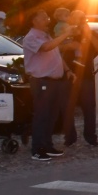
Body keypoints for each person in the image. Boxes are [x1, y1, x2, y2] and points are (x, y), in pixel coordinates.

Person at [23, 10, 76, 161]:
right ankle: (37, 149)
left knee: (52, 116)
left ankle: (47, 145)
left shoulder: (46, 35)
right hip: (42, 81)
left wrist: (67, 70)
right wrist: (65, 34)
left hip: (54, 81)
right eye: (44, 17)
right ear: (34, 21)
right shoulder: (31, 37)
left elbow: (55, 54)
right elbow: (46, 48)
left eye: (47, 17)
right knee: (42, 115)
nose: (47, 20)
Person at [62, 10, 98, 147]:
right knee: (68, 108)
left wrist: (88, 34)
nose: (80, 21)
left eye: (82, 18)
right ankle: (70, 137)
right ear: (71, 19)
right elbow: (55, 48)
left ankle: (90, 137)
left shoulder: (91, 33)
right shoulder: (66, 31)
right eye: (76, 18)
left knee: (89, 108)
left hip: (86, 76)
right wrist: (69, 45)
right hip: (68, 75)